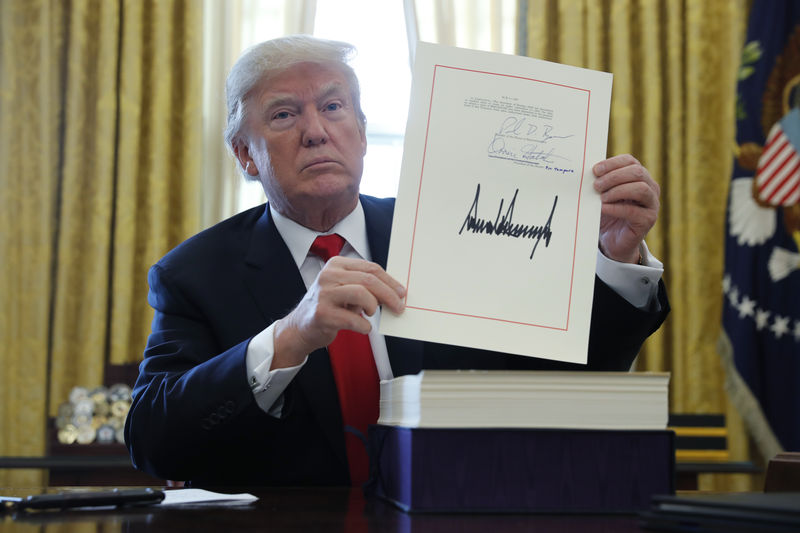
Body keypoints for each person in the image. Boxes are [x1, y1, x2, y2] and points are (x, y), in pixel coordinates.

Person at [124, 35, 669, 487]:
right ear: (246, 155)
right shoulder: (193, 275)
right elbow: (153, 442)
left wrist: (614, 257)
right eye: (284, 114)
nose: (316, 130)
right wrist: (288, 337)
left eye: (333, 107)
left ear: (361, 133)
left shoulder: (451, 231)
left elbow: (561, 383)